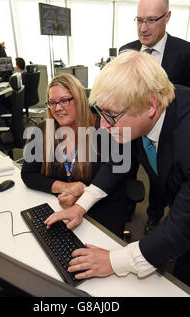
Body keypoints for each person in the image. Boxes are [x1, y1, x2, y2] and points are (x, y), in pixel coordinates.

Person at [44, 50, 190, 294]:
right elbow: (116, 163)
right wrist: (81, 205)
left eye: (111, 116)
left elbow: (185, 228)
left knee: (187, 274)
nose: (103, 125)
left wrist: (112, 261)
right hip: (189, 201)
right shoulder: (135, 108)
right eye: (101, 112)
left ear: (150, 106)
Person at [119, 0, 190, 234]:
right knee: (125, 170)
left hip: (162, 135)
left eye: (151, 20)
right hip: (130, 129)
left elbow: (186, 96)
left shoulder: (186, 52)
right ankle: (127, 207)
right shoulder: (126, 50)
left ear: (167, 17)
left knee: (159, 180)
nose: (144, 28)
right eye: (139, 20)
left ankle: (154, 215)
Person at [21, 74, 129, 238]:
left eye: (64, 100)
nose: (57, 108)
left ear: (79, 99)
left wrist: (81, 197)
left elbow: (114, 178)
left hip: (100, 212)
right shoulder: (43, 131)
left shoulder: (104, 130)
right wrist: (63, 187)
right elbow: (28, 174)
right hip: (60, 208)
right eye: (52, 102)